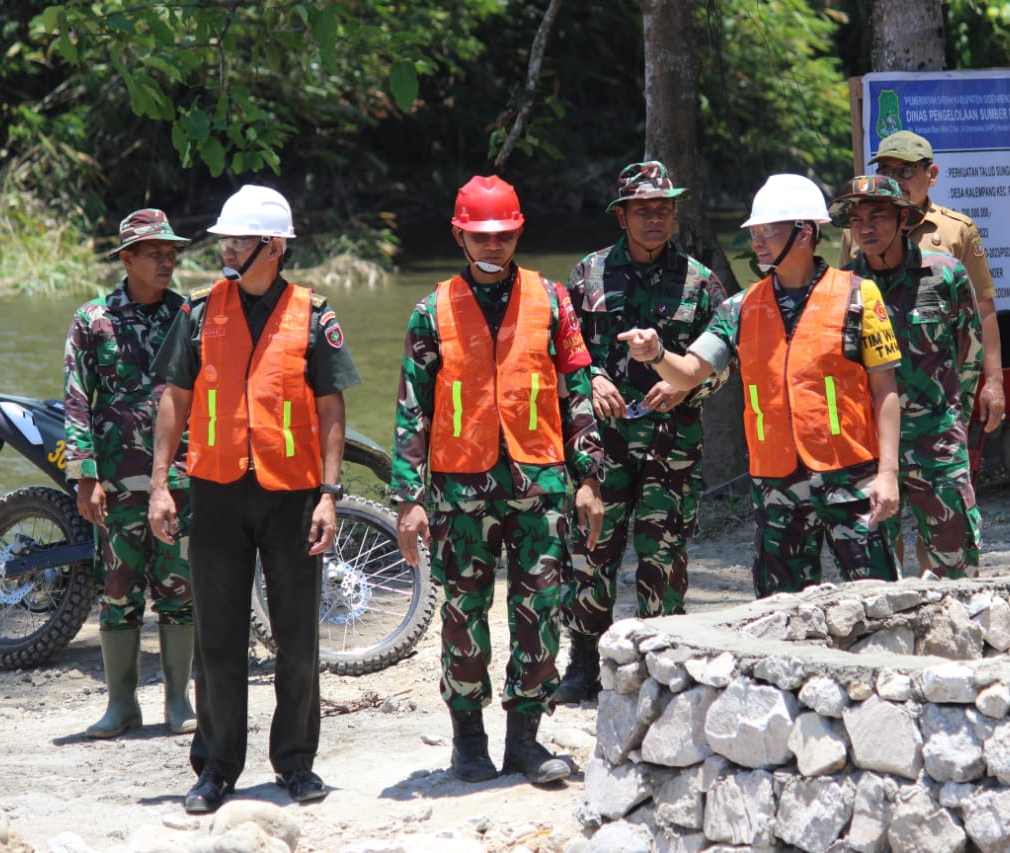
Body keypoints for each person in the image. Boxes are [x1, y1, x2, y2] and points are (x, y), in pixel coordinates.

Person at [147, 185, 360, 814]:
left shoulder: (313, 315)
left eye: (239, 240)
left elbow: (331, 409)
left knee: (297, 639)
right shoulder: (198, 312)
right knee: (216, 639)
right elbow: (175, 400)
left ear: (273, 246)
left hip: (293, 496)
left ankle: (295, 762)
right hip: (215, 493)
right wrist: (160, 485)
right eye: (225, 240)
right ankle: (216, 768)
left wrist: (329, 495)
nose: (227, 250)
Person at [392, 175, 604, 786]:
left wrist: (589, 478)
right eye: (481, 235)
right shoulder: (432, 310)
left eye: (504, 234)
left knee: (541, 607)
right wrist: (408, 499)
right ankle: (468, 742)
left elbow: (576, 391)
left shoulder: (553, 300)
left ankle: (525, 742)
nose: (494, 245)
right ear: (459, 235)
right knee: (463, 613)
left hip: (541, 483)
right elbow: (411, 409)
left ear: (518, 233)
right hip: (461, 489)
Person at [618, 174, 903, 596]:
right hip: (775, 482)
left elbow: (886, 391)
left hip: (851, 476)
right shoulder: (741, 307)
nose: (757, 243)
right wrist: (657, 353)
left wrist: (888, 474)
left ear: (804, 232)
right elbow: (690, 372)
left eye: (768, 231)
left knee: (877, 598)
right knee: (780, 609)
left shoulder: (859, 296)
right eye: (754, 233)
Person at [555, 161, 726, 704]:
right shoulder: (588, 275)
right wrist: (592, 375)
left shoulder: (701, 281)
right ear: (622, 216)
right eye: (644, 210)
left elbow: (722, 362)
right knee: (590, 550)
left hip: (671, 442)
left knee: (664, 551)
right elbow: (562, 350)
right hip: (601, 442)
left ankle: (663, 660)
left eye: (664, 209)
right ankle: (584, 662)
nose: (655, 218)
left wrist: (684, 385)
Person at [64, 208, 196, 740]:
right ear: (126, 258)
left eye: (171, 253)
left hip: (179, 479)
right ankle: (121, 705)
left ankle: (179, 702)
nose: (167, 261)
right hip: (117, 481)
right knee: (117, 591)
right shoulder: (93, 319)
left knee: (179, 589)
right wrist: (86, 476)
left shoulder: (187, 315)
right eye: (154, 253)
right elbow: (77, 400)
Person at [831, 174, 984, 579]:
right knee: (873, 569)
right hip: (870, 446)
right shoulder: (843, 288)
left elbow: (970, 353)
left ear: (903, 219)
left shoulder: (945, 274)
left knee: (956, 564)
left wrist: (953, 420)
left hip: (938, 442)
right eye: (857, 219)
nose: (865, 228)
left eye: (877, 217)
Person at [839, 130, 1005, 431]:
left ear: (932, 174)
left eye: (906, 171)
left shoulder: (957, 230)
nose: (896, 179)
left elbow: (983, 309)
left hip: (934, 396)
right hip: (874, 389)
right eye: (886, 171)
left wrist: (994, 381)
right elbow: (843, 308)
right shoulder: (857, 231)